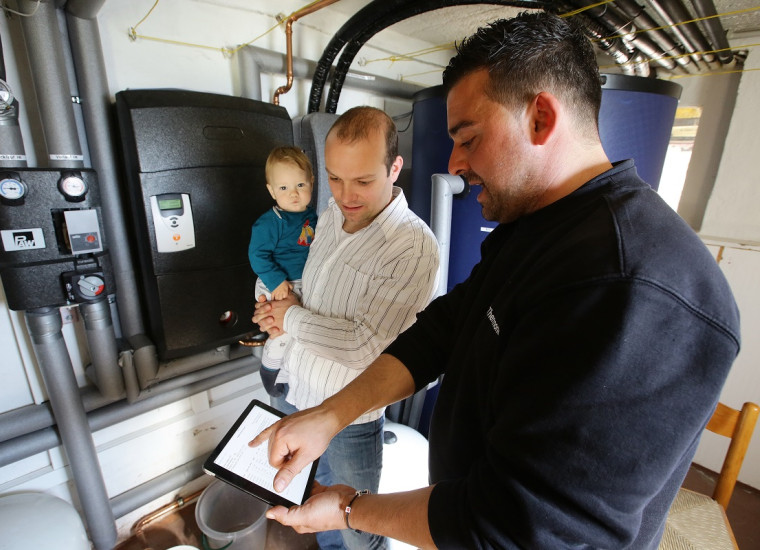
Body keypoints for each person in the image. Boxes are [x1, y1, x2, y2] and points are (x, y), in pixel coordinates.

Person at [250, 11, 741, 550]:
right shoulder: (533, 226)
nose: (454, 163)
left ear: (540, 119)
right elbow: (443, 330)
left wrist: (350, 508)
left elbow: (516, 526)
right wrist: (329, 415)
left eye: (468, 138)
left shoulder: (635, 288)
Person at [252, 106, 440, 549]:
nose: (345, 195)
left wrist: (291, 319)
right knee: (315, 508)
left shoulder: (412, 247)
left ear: (394, 168)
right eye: (335, 178)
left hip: (350, 415)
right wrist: (281, 310)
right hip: (301, 391)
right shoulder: (333, 214)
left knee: (360, 525)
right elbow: (313, 292)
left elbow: (367, 347)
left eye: (363, 180)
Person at [248, 146, 317, 397]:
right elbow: (257, 255)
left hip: (300, 282)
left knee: (300, 332)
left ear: (311, 182)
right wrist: (277, 281)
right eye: (284, 188)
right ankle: (271, 370)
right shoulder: (271, 221)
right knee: (284, 331)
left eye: (300, 185)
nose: (294, 194)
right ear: (271, 191)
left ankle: (289, 372)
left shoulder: (313, 217)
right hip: (277, 282)